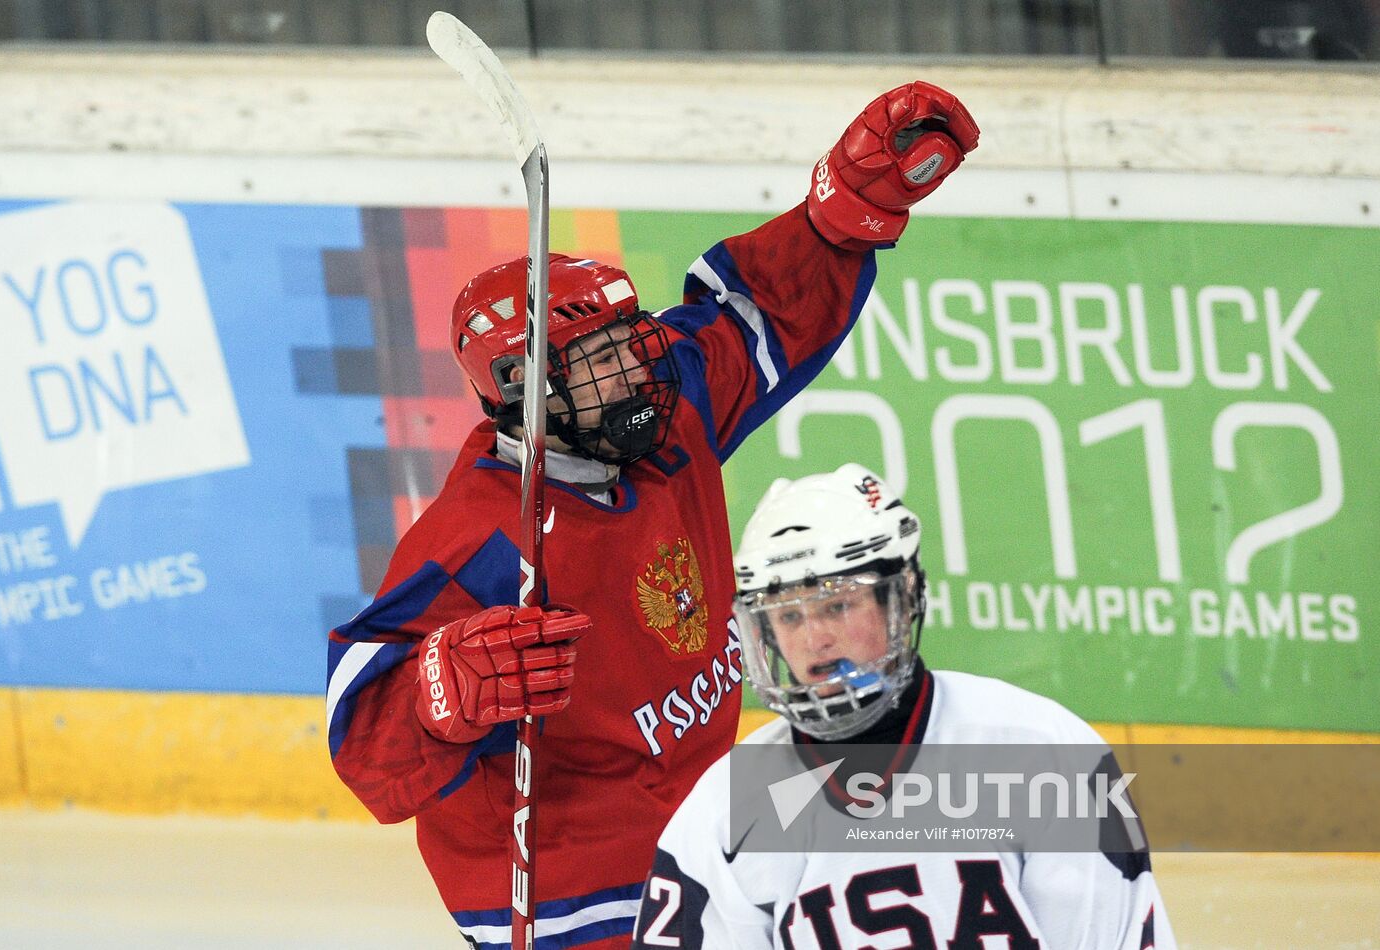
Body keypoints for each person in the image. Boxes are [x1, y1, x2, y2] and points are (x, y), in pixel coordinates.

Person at [325, 83, 978, 949]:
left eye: (629, 342)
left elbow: (758, 318)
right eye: (599, 362)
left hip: (704, 828)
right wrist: (441, 692)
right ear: (528, 395)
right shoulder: (481, 540)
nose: (634, 371)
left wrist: (842, 214)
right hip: (566, 883)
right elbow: (366, 738)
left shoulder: (663, 404)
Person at [633, 465, 1176, 949]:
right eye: (789, 617)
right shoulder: (725, 811)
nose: (815, 639)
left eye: (837, 604)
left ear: (904, 596)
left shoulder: (1042, 755)